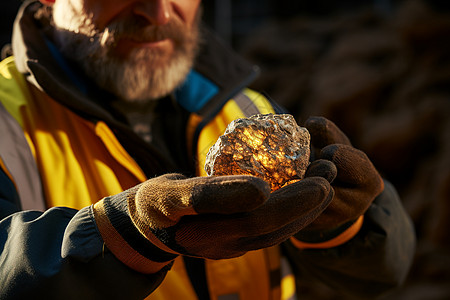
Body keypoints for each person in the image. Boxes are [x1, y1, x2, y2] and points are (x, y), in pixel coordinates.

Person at [0, 0, 416, 299]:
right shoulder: (7, 120)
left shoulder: (249, 109)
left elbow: (383, 275)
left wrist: (345, 228)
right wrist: (122, 236)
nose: (159, 13)